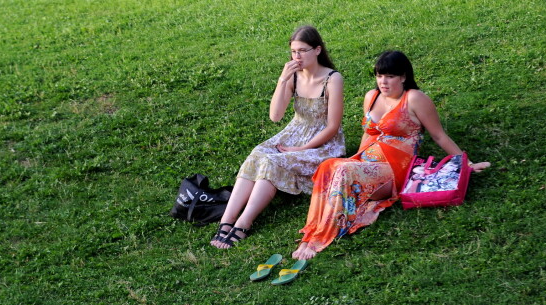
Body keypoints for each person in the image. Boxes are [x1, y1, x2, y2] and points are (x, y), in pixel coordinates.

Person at [293, 50, 490, 260]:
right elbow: (368, 134)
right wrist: (355, 161)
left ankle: (318, 239)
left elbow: (439, 136)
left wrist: (466, 163)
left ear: (403, 76)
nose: (383, 82)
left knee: (341, 170)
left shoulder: (414, 98)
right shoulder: (371, 96)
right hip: (368, 161)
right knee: (328, 166)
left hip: (396, 169)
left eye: (390, 76)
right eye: (379, 76)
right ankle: (311, 232)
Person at [210, 25, 345, 249]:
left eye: (302, 50)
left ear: (318, 50)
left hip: (323, 142)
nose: (297, 56)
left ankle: (244, 222)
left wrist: (302, 150)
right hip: (295, 132)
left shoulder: (332, 79)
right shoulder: (294, 76)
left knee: (273, 160)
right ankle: (227, 220)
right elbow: (275, 116)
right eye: (293, 51)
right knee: (258, 153)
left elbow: (332, 127)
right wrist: (283, 80)